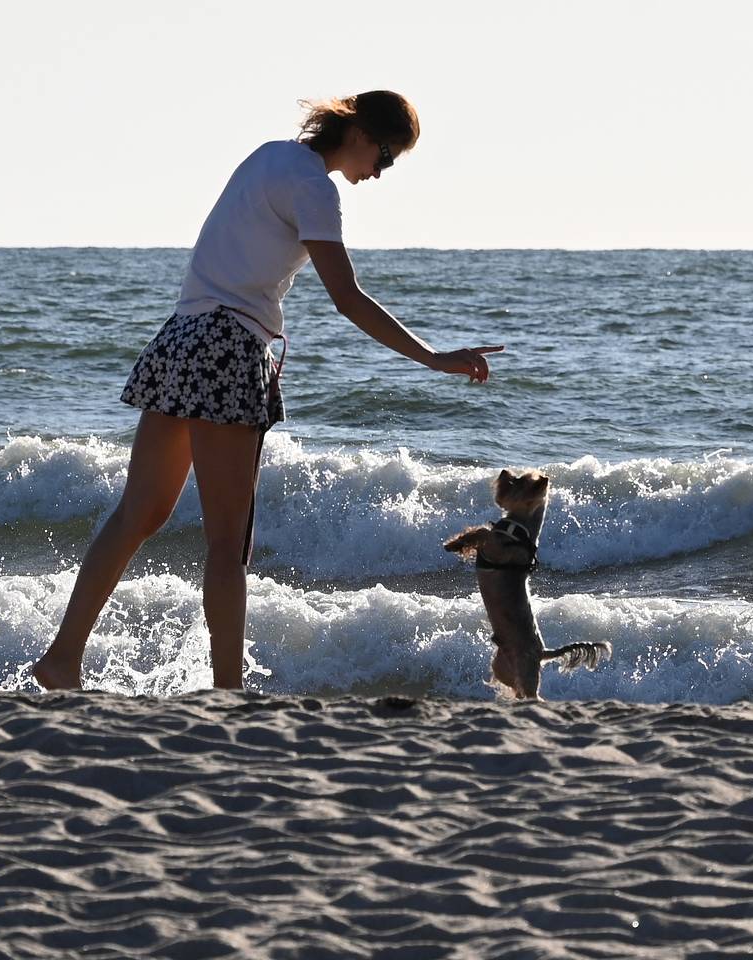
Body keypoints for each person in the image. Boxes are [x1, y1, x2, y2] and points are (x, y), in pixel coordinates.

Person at [32, 90, 503, 692]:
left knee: (137, 514)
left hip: (181, 337)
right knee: (229, 544)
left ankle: (62, 660)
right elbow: (347, 296)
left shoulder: (268, 156)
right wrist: (433, 357)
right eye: (385, 157)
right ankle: (228, 690)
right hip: (228, 347)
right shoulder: (315, 188)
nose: (380, 173)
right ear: (358, 133)